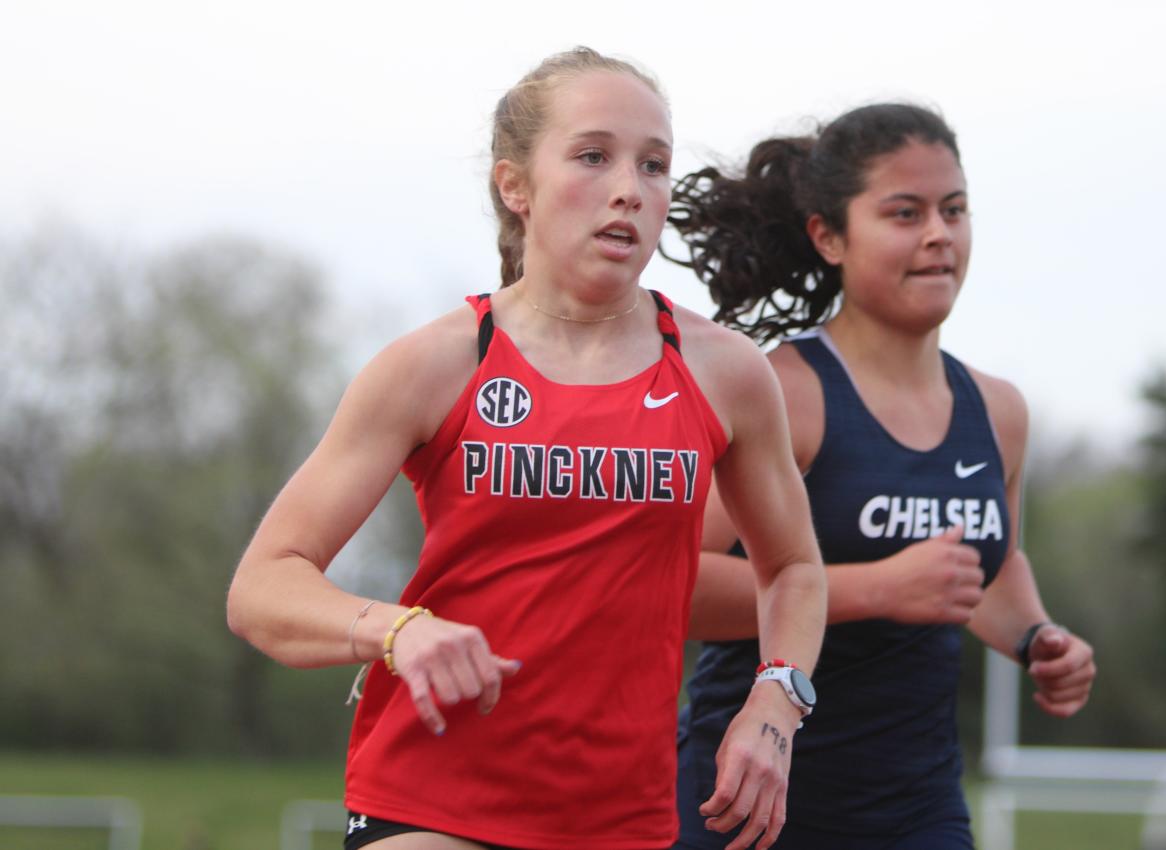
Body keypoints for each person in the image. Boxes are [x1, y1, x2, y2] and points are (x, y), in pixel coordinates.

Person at [226, 47, 826, 850]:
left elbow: (791, 568)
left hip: (621, 818)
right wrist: (398, 630)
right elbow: (264, 588)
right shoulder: (437, 362)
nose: (628, 188)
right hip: (429, 799)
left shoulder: (726, 373)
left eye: (654, 166)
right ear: (516, 187)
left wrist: (775, 702)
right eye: (592, 156)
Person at [664, 104, 1097, 849]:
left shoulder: (999, 411)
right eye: (906, 213)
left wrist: (1037, 637)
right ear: (828, 236)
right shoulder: (782, 393)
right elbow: (669, 585)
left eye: (953, 210)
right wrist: (878, 590)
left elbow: (982, 570)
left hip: (917, 811)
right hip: (743, 804)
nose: (939, 234)